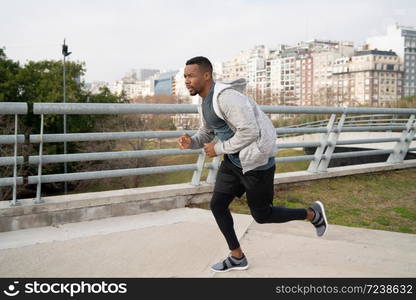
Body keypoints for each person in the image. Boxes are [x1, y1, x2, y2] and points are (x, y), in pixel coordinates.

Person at [178, 56, 328, 273]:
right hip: (233, 162)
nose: (186, 80)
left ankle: (312, 214)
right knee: (217, 205)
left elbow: (251, 131)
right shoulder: (204, 101)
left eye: (191, 75)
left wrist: (218, 149)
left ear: (206, 75)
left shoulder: (227, 98)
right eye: (184, 76)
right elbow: (209, 131)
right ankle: (237, 256)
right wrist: (192, 141)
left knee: (262, 215)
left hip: (256, 164)